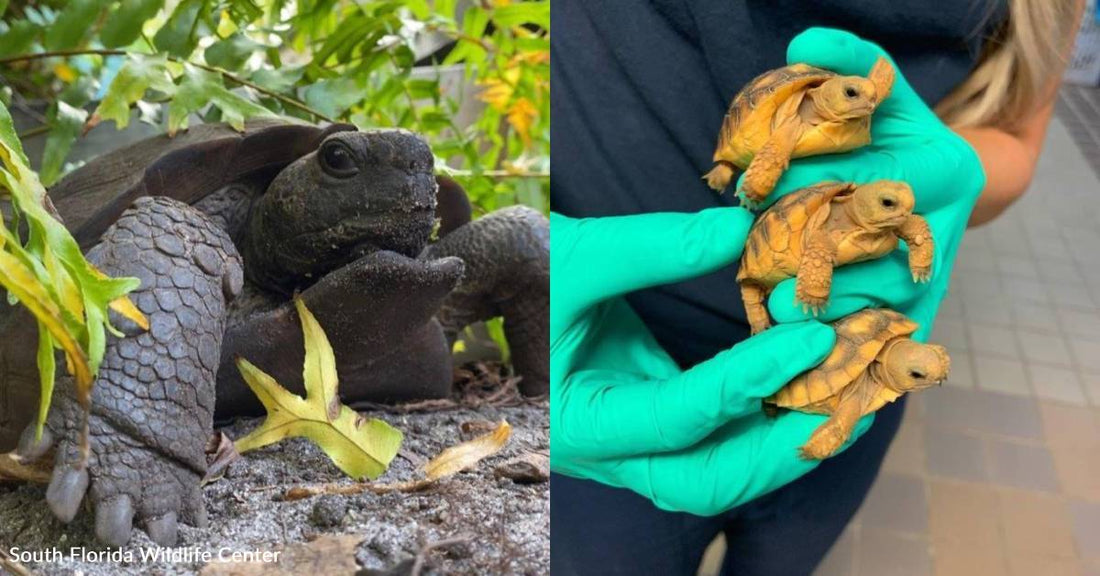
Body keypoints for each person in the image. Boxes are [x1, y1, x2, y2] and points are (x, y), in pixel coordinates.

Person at [550, 1, 1081, 575]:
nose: (862, 101)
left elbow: (1017, 136)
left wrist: (952, 175)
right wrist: (527, 265)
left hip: (843, 345)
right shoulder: (793, 122)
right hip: (603, 345)